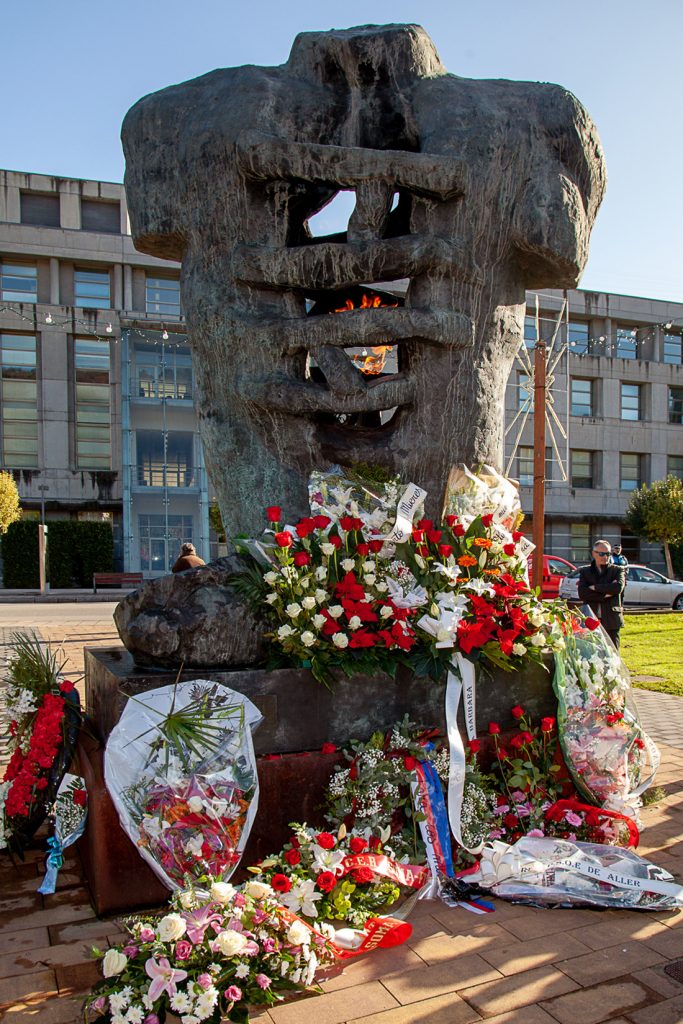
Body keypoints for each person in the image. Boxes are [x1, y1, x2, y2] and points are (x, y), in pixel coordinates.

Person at [577, 539, 626, 649]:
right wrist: (605, 594)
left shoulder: (617, 570)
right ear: (594, 553)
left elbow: (618, 587)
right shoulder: (585, 572)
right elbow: (583, 593)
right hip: (591, 618)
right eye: (602, 554)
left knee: (612, 652)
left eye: (608, 554)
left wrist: (595, 587)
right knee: (591, 652)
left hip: (611, 619)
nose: (605, 557)